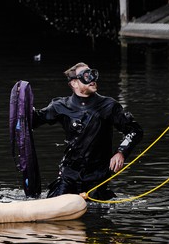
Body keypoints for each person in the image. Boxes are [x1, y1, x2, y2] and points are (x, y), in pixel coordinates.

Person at [32, 62, 143, 198]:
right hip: (69, 174)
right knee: (52, 203)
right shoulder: (60, 106)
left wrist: (121, 152)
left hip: (97, 176)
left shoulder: (109, 106)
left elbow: (135, 131)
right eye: (86, 75)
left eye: (93, 74)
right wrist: (23, 106)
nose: (92, 79)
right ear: (74, 83)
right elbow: (34, 121)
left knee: (95, 210)